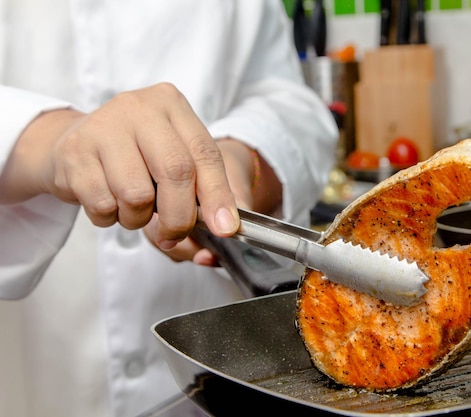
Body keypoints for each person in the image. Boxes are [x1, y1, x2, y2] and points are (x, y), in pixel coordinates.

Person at [0, 1, 338, 416]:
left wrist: (238, 158)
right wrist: (46, 138)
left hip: (220, 362)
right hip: (37, 368)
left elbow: (286, 101)